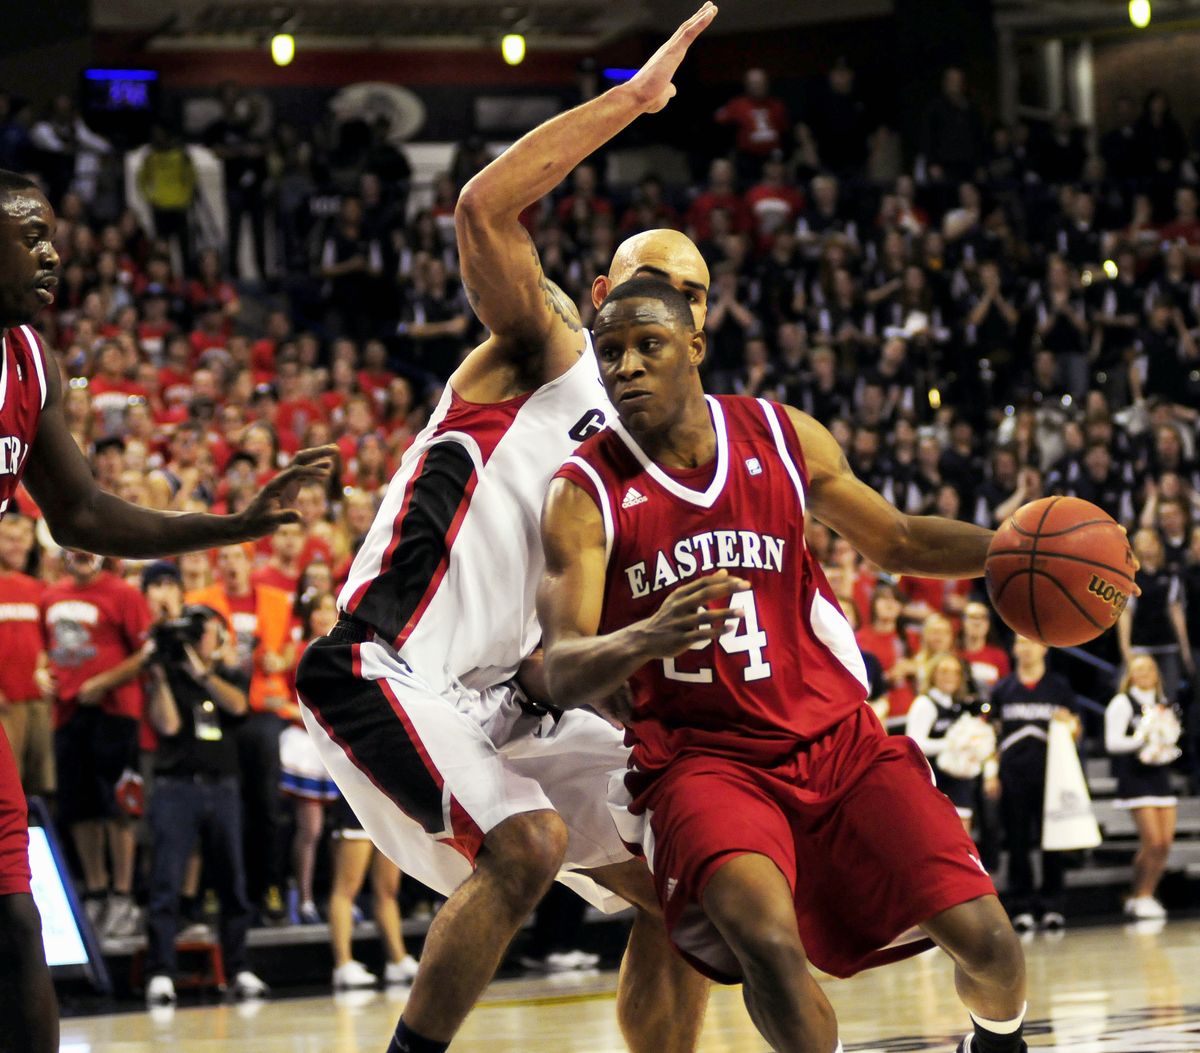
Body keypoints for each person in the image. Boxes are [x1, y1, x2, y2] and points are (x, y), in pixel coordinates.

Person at [297, 11, 719, 1053]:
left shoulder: (663, 467)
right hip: (383, 666)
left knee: (695, 875)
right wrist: (630, 102)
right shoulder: (546, 347)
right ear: (598, 294)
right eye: (645, 281)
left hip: (503, 703)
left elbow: (589, 646)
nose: (664, 303)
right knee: (527, 842)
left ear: (704, 328)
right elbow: (484, 205)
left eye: (689, 294)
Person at [537, 277, 1027, 1053]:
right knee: (767, 946)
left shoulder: (780, 433)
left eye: (647, 345)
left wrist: (1013, 552)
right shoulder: (582, 488)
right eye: (611, 352)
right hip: (703, 764)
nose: (625, 365)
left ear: (695, 346)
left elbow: (897, 540)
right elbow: (558, 665)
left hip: (839, 742)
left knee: (992, 945)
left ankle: (997, 1040)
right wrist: (644, 638)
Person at [0, 166, 335, 1053]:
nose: (52, 250)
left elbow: (83, 512)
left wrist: (231, 525)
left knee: (14, 924)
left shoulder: (31, 360)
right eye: (29, 234)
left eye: (52, 233)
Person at [140, 562, 266, 1006]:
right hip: (178, 785)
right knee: (167, 883)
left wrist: (204, 673)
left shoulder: (227, 675)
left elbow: (238, 708)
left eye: (207, 631)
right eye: (197, 632)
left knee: (232, 884)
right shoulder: (167, 671)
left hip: (224, 786)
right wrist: (161, 678)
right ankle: (160, 972)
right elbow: (168, 726)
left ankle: (239, 967)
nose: (200, 639)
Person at [42, 550, 152, 940]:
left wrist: (104, 682)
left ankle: (123, 896)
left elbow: (147, 651)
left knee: (120, 804)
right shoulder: (51, 595)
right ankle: (96, 889)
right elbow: (46, 651)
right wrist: (42, 674)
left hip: (116, 712)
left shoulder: (123, 593)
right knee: (79, 807)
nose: (81, 554)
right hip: (68, 713)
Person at [988, 636, 1079, 934]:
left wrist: (1070, 724)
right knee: (1016, 843)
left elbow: (1076, 731)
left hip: (1051, 776)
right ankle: (1021, 905)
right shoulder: (1002, 689)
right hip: (1013, 776)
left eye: (1031, 643)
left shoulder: (1059, 687)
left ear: (1044, 647)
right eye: (1020, 643)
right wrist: (992, 772)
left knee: (1052, 840)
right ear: (1013, 649)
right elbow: (991, 736)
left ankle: (1053, 905)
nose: (1025, 648)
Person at [1105, 653, 1181, 920]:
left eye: (1149, 668)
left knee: (1165, 843)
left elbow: (1170, 738)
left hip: (1160, 775)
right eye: (1138, 669)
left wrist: (1165, 744)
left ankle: (1148, 892)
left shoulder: (1163, 703)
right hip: (1135, 777)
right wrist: (1142, 738)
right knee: (1152, 841)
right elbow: (1112, 743)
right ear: (1129, 675)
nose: (1144, 673)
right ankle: (1140, 895)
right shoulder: (1121, 702)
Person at [907, 653, 994, 834]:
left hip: (958, 781)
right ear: (933, 674)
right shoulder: (925, 703)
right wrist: (953, 744)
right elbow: (914, 744)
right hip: (933, 783)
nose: (950, 677)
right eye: (944, 671)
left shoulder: (956, 705)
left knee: (963, 838)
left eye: (955, 672)